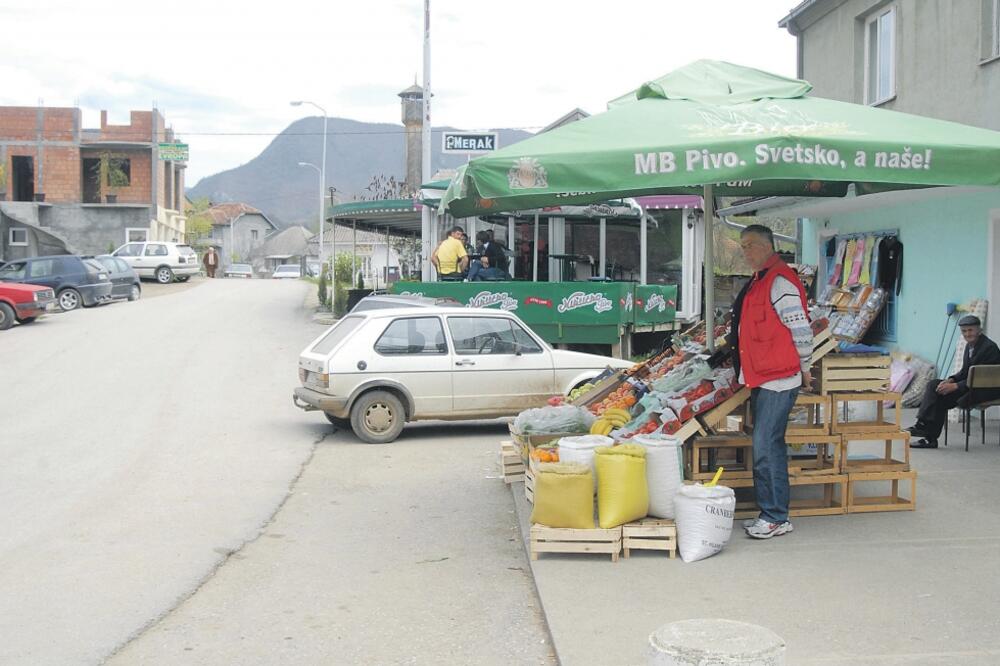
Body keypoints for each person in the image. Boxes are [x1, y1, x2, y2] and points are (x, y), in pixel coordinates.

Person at [729, 225, 813, 540]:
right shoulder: (759, 280)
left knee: (765, 445)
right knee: (768, 444)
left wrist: (806, 366)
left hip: (780, 377)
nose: (744, 251)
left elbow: (801, 330)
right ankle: (772, 513)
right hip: (763, 376)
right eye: (742, 245)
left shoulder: (779, 281)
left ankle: (776, 515)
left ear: (767, 246)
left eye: (749, 245)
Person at [907, 315, 1000, 448]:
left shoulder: (989, 347)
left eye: (971, 330)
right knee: (934, 385)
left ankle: (929, 437)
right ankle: (922, 425)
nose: (968, 334)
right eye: (964, 331)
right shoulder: (970, 346)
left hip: (986, 389)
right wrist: (950, 380)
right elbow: (965, 372)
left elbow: (984, 378)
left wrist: (955, 386)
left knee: (941, 399)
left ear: (979, 330)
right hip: (971, 386)